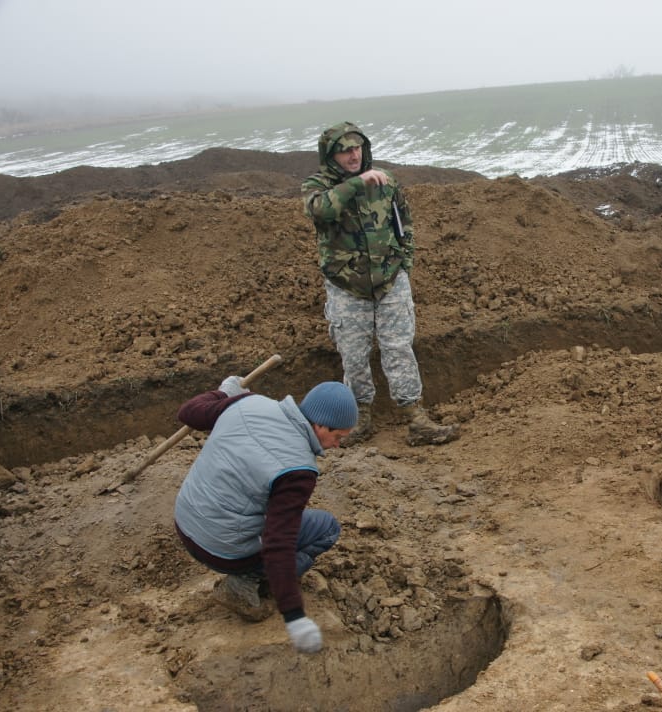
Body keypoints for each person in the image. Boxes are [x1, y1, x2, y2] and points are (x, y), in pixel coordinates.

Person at [301, 121, 459, 447]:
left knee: (399, 349)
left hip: (390, 282)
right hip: (347, 287)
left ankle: (416, 419)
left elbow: (405, 223)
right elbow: (319, 211)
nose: (353, 155)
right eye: (345, 150)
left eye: (357, 148)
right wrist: (356, 184)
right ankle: (359, 421)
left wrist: (405, 265)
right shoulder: (320, 186)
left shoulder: (385, 182)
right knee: (354, 356)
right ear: (331, 155)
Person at [173, 376, 358, 654]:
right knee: (326, 528)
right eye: (338, 437)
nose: (337, 446)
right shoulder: (298, 470)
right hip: (222, 550)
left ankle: (244, 569)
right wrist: (294, 615)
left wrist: (225, 394)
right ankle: (245, 581)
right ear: (320, 425)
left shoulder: (249, 403)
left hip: (185, 524)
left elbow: (188, 413)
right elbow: (278, 545)